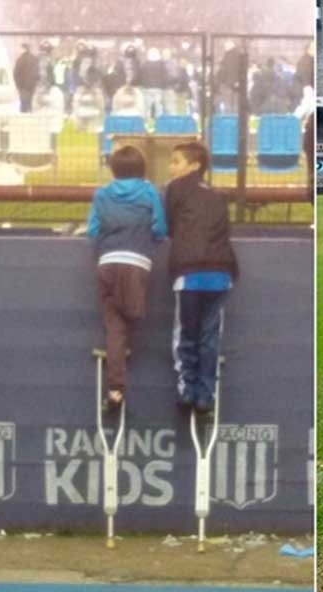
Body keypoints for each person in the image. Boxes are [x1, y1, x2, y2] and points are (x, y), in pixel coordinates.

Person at [87, 145, 167, 409]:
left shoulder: (102, 194)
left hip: (108, 262)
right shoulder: (149, 192)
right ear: (142, 169)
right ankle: (121, 352)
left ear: (113, 169)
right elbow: (159, 228)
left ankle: (115, 388)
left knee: (114, 324)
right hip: (137, 262)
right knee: (129, 316)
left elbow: (93, 229)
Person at [165, 142, 238, 413]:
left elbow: (170, 226)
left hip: (190, 271)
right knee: (209, 336)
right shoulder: (218, 195)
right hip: (220, 272)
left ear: (194, 165)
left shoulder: (174, 189)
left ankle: (187, 389)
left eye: (176, 161)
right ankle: (206, 395)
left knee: (186, 333)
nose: (171, 167)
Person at [13, 44, 39, 113]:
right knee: (30, 97)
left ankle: (24, 110)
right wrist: (36, 80)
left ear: (23, 49)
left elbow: (16, 73)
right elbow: (37, 71)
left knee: (23, 98)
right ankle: (29, 109)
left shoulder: (20, 60)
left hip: (22, 83)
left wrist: (17, 83)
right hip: (32, 83)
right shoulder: (34, 59)